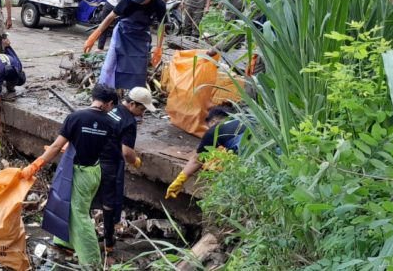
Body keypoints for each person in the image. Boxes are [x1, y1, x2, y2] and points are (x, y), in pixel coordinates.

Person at [21, 84, 119, 268]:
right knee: (70, 205)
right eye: (112, 107)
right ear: (109, 103)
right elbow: (105, 149)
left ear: (94, 97)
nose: (111, 110)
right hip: (94, 171)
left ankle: (91, 261)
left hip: (78, 172)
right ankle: (64, 243)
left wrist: (36, 164)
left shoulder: (75, 118)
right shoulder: (111, 123)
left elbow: (57, 147)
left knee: (78, 214)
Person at [94, 87, 154, 253]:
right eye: (141, 109)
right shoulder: (128, 122)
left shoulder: (111, 109)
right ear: (133, 104)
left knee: (86, 200)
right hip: (110, 165)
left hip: (93, 160)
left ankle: (76, 239)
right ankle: (109, 244)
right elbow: (126, 152)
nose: (142, 113)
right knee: (109, 204)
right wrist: (136, 161)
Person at [84, 0, 166, 90]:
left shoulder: (159, 5)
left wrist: (159, 48)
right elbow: (110, 17)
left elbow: (162, 26)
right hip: (122, 33)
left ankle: (133, 96)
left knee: (138, 70)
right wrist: (93, 36)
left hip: (141, 37)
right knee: (109, 66)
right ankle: (104, 91)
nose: (138, 0)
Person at [165, 106, 245, 199]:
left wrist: (179, 181)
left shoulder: (215, 129)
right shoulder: (245, 118)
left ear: (213, 121)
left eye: (208, 127)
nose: (208, 130)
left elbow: (197, 160)